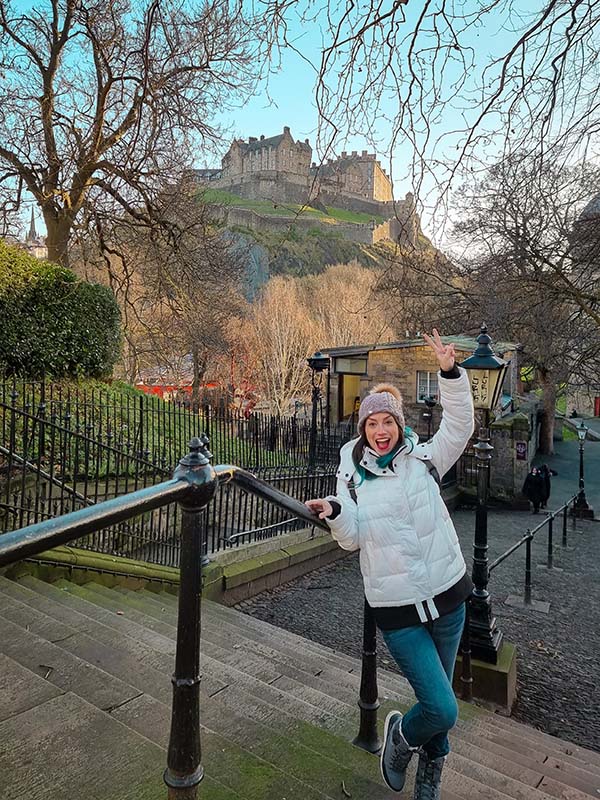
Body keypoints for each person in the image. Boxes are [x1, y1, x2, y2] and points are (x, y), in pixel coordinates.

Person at [305, 329, 474, 800]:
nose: (381, 430)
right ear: (363, 429)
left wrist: (450, 373)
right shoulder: (351, 474)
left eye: (388, 421)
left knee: (437, 703)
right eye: (372, 423)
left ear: (400, 425)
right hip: (397, 608)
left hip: (448, 595)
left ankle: (428, 777)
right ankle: (400, 738)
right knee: (442, 708)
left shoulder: (424, 458)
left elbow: (459, 427)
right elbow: (353, 538)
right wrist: (337, 514)